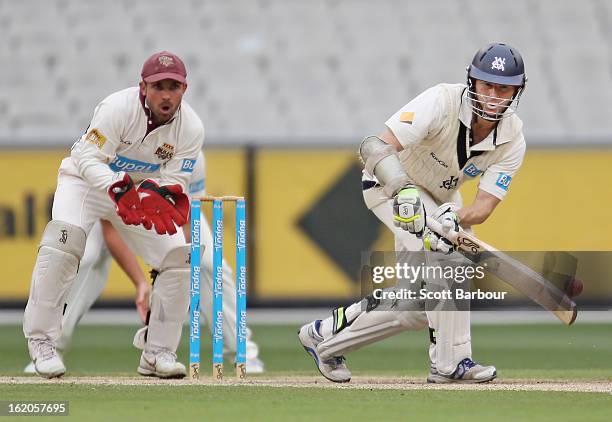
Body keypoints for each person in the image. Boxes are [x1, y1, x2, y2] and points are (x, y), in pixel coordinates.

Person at [298, 42, 527, 383]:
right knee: (454, 258)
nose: (493, 95)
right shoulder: (441, 101)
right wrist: (402, 190)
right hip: (389, 187)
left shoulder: (513, 138)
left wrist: (456, 218)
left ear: (516, 92)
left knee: (419, 306)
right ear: (472, 82)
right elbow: (375, 146)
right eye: (486, 85)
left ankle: (324, 337)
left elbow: (483, 206)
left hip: (442, 201)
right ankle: (451, 363)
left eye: (503, 88)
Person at [24, 51, 203, 379]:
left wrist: (155, 195)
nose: (166, 95)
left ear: (184, 89)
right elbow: (89, 159)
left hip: (134, 195)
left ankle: (158, 352)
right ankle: (42, 341)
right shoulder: (116, 108)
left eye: (173, 87)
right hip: (86, 184)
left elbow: (175, 181)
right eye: (158, 86)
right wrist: (116, 188)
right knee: (65, 243)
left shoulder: (191, 128)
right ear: (143, 86)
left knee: (179, 255)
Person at [24, 151, 265, 374]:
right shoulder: (122, 146)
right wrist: (141, 283)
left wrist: (176, 276)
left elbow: (187, 222)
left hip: (157, 214)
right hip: (103, 209)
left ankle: (243, 354)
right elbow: (112, 230)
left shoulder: (191, 154)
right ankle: (48, 348)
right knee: (86, 258)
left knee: (211, 263)